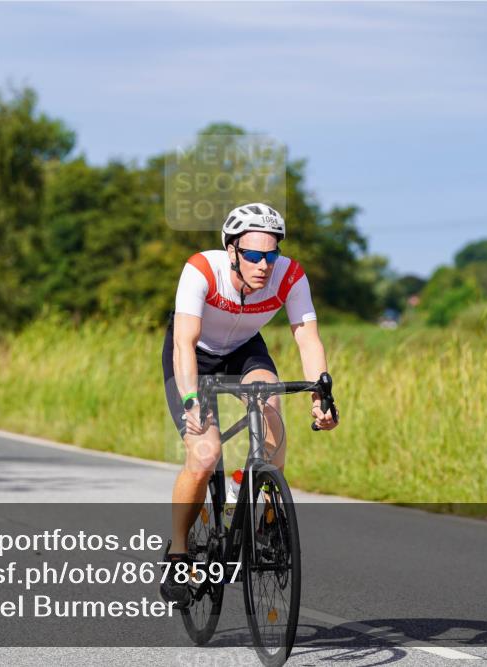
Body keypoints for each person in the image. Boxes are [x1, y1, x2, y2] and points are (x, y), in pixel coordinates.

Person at [160, 203, 339, 606]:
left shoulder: (290, 276)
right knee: (205, 455)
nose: (263, 265)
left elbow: (307, 338)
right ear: (232, 251)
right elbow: (185, 342)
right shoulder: (202, 270)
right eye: (254, 255)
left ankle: (269, 521)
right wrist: (191, 400)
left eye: (270, 255)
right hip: (194, 357)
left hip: (244, 351)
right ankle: (177, 553)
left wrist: (320, 396)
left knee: (270, 398)